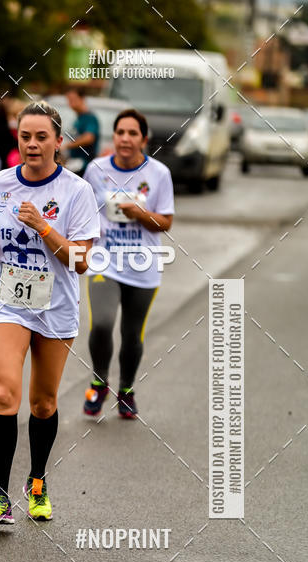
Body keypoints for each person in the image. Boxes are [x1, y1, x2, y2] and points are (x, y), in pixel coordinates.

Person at [0, 101, 99, 524]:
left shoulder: (76, 192)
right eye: (25, 136)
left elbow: (81, 261)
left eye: (41, 136)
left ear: (58, 142)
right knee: (4, 393)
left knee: (43, 403)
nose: (32, 144)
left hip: (56, 306)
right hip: (8, 300)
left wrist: (44, 227)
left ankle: (38, 479)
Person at [82, 108, 174, 419]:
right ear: (114, 136)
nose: (125, 138)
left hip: (143, 265)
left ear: (143, 140)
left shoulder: (158, 174)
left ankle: (126, 390)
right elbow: (81, 212)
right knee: (103, 323)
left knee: (132, 334)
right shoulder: (95, 169)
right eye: (120, 132)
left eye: (133, 133)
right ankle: (98, 382)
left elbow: (166, 222)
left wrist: (139, 213)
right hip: (103, 262)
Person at [63, 87, 100, 175]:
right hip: (73, 162)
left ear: (82, 99)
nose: (70, 103)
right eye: (69, 100)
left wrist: (67, 146)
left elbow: (89, 138)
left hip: (84, 165)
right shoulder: (78, 118)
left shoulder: (90, 118)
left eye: (73, 99)